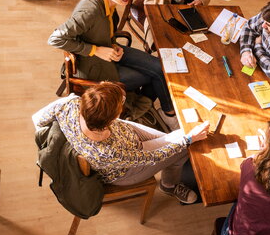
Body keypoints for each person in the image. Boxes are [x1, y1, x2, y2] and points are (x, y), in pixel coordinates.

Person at [48, 0, 180, 129]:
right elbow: (55, 39)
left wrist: (112, 44)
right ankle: (157, 113)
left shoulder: (109, 2)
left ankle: (162, 112)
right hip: (92, 65)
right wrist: (96, 50)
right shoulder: (90, 11)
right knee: (154, 76)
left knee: (159, 68)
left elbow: (102, 32)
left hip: (108, 50)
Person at [33, 81, 209, 204]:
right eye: (121, 103)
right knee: (183, 146)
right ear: (112, 118)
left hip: (126, 134)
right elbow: (153, 157)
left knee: (176, 141)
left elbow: (38, 120)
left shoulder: (70, 103)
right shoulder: (109, 152)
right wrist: (187, 139)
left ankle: (174, 168)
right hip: (125, 170)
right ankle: (168, 185)